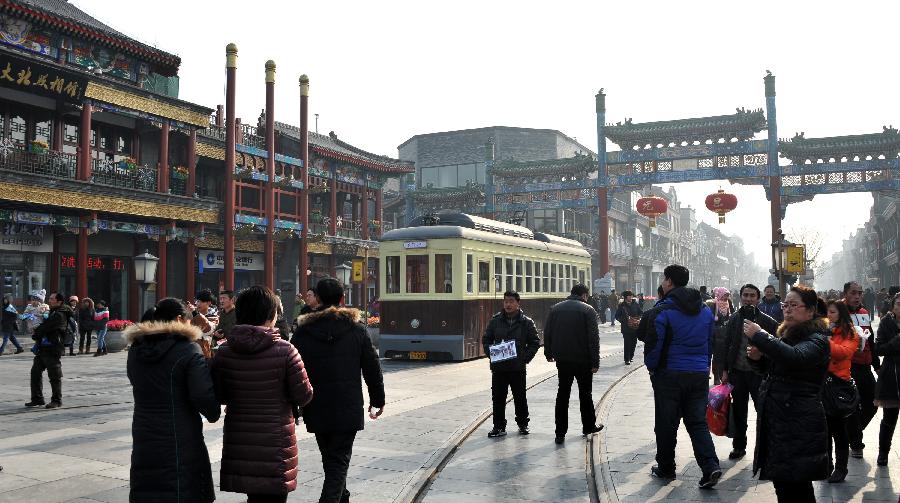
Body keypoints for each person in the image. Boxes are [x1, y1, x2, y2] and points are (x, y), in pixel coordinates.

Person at [211, 286, 314, 503]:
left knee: (254, 496)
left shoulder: (224, 352)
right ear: (271, 315)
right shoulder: (286, 351)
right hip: (276, 440)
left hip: (241, 438)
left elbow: (219, 395)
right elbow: (303, 396)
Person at [292, 278, 384, 503]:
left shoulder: (303, 333)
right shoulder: (357, 330)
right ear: (342, 299)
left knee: (331, 460)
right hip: (347, 406)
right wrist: (377, 399)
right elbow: (372, 367)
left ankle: (343, 497)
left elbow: (292, 370)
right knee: (337, 462)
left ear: (318, 300)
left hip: (315, 405)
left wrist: (294, 406)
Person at [126, 297, 221, 503]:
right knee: (181, 487)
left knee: (147, 485)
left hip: (144, 431)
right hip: (180, 434)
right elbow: (202, 395)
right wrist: (214, 411)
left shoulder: (136, 350)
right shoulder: (187, 349)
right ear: (179, 318)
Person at [743, 285, 831, 502]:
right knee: (784, 485)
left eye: (794, 305)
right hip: (780, 421)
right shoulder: (787, 336)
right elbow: (775, 370)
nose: (787, 310)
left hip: (799, 422)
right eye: (785, 305)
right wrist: (758, 360)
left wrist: (761, 336)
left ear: (810, 311)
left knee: (797, 486)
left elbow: (796, 358)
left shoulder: (817, 339)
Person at [638, 264, 721, 489]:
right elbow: (710, 342)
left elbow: (653, 347)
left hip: (669, 375)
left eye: (665, 279)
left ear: (669, 282)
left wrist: (653, 368)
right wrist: (705, 367)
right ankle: (710, 466)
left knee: (666, 424)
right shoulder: (704, 310)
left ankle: (666, 468)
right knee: (697, 423)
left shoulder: (662, 310)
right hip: (698, 374)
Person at [720, 283, 778, 460]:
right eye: (745, 295)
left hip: (759, 374)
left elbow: (776, 346)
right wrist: (723, 370)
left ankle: (766, 448)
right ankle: (739, 446)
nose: (748, 298)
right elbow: (725, 345)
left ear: (758, 299)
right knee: (739, 411)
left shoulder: (767, 321)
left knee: (764, 410)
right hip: (737, 373)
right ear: (740, 297)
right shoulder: (734, 319)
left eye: (752, 296)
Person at [544, 283, 603, 445]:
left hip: (563, 360)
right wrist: (595, 362)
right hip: (583, 360)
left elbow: (547, 332)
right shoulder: (588, 310)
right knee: (585, 395)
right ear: (584, 295)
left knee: (562, 395)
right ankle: (588, 426)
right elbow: (593, 339)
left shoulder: (555, 309)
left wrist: (548, 353)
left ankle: (560, 433)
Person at [482, 291, 540, 438]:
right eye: (506, 301)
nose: (508, 304)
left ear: (518, 303)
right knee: (498, 398)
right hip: (499, 368)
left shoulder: (526, 322)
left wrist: (524, 358)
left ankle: (523, 424)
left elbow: (534, 342)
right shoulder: (495, 321)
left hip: (517, 368)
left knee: (520, 397)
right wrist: (492, 353)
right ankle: (499, 426)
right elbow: (486, 339)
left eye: (511, 301)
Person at [821, 300, 858, 483]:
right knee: (824, 429)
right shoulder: (822, 330)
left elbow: (844, 353)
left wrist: (826, 342)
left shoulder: (850, 333)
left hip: (838, 385)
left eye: (833, 312)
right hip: (821, 384)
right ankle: (826, 465)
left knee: (838, 429)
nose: (829, 315)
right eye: (827, 312)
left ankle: (841, 468)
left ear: (841, 314)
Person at [842, 280, 878, 458]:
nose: (857, 296)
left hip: (865, 365)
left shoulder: (864, 312)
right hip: (847, 366)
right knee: (853, 405)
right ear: (845, 294)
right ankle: (856, 442)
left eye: (860, 293)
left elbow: (870, 339)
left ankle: (853, 432)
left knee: (873, 402)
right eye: (853, 293)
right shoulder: (837, 313)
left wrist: (876, 365)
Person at [27, 292, 73, 409]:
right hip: (43, 347)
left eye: (52, 299)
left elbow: (45, 327)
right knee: (35, 372)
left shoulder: (60, 314)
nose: (49, 300)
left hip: (53, 347)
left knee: (54, 375)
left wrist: (36, 334)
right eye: (50, 298)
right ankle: (37, 398)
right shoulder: (52, 312)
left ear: (59, 301)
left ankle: (57, 400)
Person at [874, 292, 900, 466]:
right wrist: (896, 341)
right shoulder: (886, 323)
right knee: (889, 418)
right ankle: (883, 452)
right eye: (899, 304)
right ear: (893, 307)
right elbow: (879, 349)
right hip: (892, 375)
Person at [614, 290, 643, 365]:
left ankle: (631, 356)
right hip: (626, 328)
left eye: (631, 295)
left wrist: (638, 319)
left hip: (635, 327)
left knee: (634, 343)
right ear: (625, 297)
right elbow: (617, 316)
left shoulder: (635, 304)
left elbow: (640, 312)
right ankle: (627, 359)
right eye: (629, 296)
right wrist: (624, 321)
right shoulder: (622, 305)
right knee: (627, 343)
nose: (630, 297)